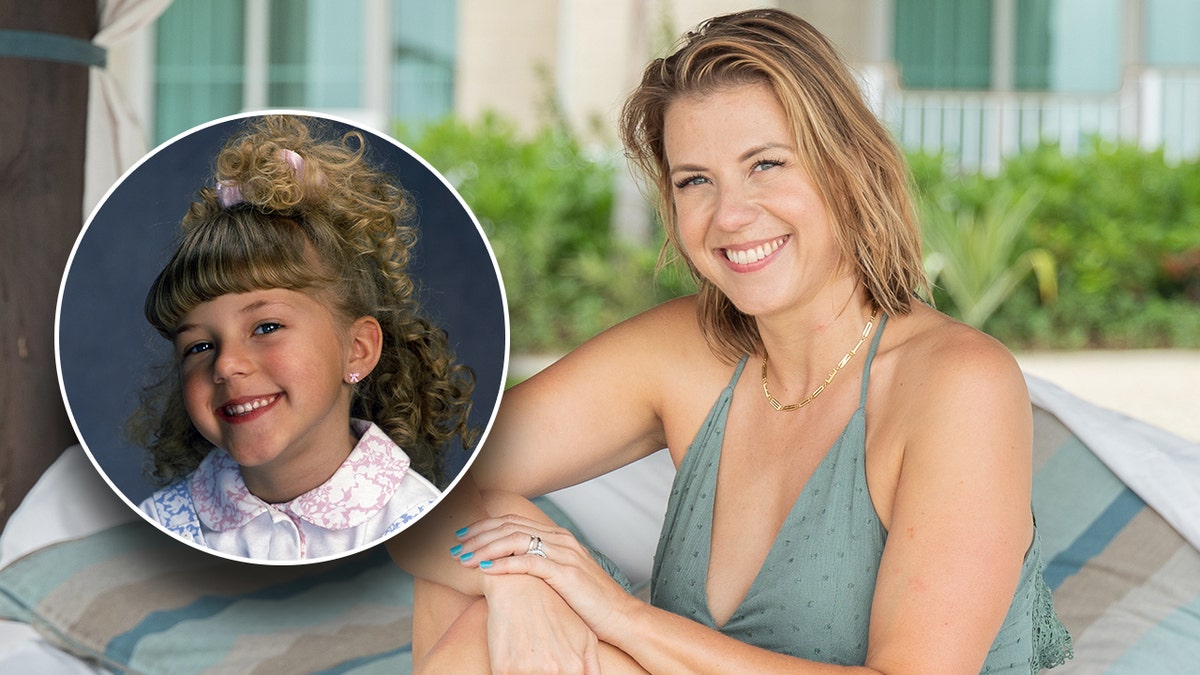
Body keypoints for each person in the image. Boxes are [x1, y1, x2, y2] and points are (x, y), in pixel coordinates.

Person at [391, 8, 1072, 673]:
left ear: (848, 167)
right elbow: (405, 472)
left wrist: (616, 612)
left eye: (767, 164)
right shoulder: (687, 349)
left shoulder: (959, 383)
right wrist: (522, 580)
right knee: (481, 588)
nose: (732, 215)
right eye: (696, 181)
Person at [130, 115, 477, 562]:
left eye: (266, 327)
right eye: (199, 346)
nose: (226, 365)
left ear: (358, 349)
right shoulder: (158, 527)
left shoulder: (420, 526)